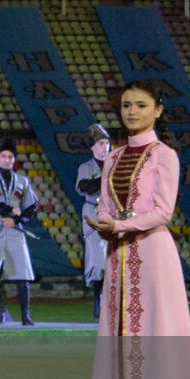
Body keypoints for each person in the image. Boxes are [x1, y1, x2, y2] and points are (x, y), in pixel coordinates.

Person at [91, 82, 190, 379]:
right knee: (129, 339)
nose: (132, 111)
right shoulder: (112, 157)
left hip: (153, 255)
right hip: (120, 257)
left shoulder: (164, 155)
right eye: (126, 105)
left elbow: (162, 212)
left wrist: (119, 224)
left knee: (158, 336)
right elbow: (105, 203)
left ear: (158, 110)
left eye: (140, 105)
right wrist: (104, 221)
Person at [0, 137, 39, 325]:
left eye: (10, 156)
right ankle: (0, 309)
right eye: (3, 156)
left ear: (14, 160)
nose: (7, 159)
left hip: (14, 230)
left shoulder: (22, 181)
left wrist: (17, 219)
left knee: (23, 274)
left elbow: (33, 207)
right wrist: (9, 211)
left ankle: (25, 316)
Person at [77, 124, 111, 320]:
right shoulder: (86, 167)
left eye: (106, 143)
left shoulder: (115, 164)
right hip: (93, 211)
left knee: (114, 260)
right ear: (93, 147)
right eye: (100, 143)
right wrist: (106, 177)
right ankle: (97, 302)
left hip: (113, 213)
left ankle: (110, 303)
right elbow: (85, 187)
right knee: (98, 260)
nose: (104, 147)